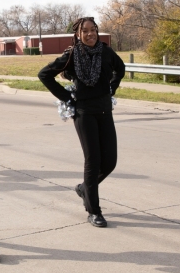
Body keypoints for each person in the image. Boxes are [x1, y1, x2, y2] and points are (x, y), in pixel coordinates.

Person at [38, 17, 125, 227]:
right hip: (84, 113)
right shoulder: (71, 55)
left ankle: (85, 187)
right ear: (78, 34)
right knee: (93, 160)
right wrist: (67, 98)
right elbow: (45, 75)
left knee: (110, 162)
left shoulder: (106, 52)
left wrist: (112, 87)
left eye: (93, 30)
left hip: (104, 111)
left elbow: (120, 68)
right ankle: (94, 211)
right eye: (84, 31)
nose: (89, 34)